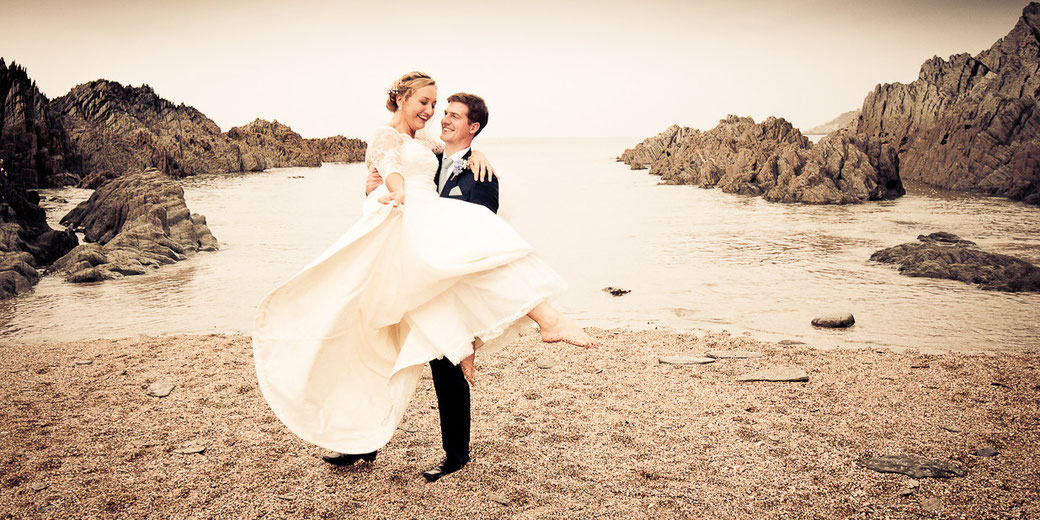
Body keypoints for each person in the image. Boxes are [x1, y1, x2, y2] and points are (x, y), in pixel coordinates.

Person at [252, 71, 597, 484]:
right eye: (426, 103)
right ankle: (362, 440)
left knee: (442, 349)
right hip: (399, 241)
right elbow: (392, 173)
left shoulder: (432, 146)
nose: (432, 112)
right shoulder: (384, 136)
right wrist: (391, 191)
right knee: (372, 349)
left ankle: (458, 444)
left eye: (439, 107)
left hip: (425, 250)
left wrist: (477, 155)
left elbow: (458, 160)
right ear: (400, 98)